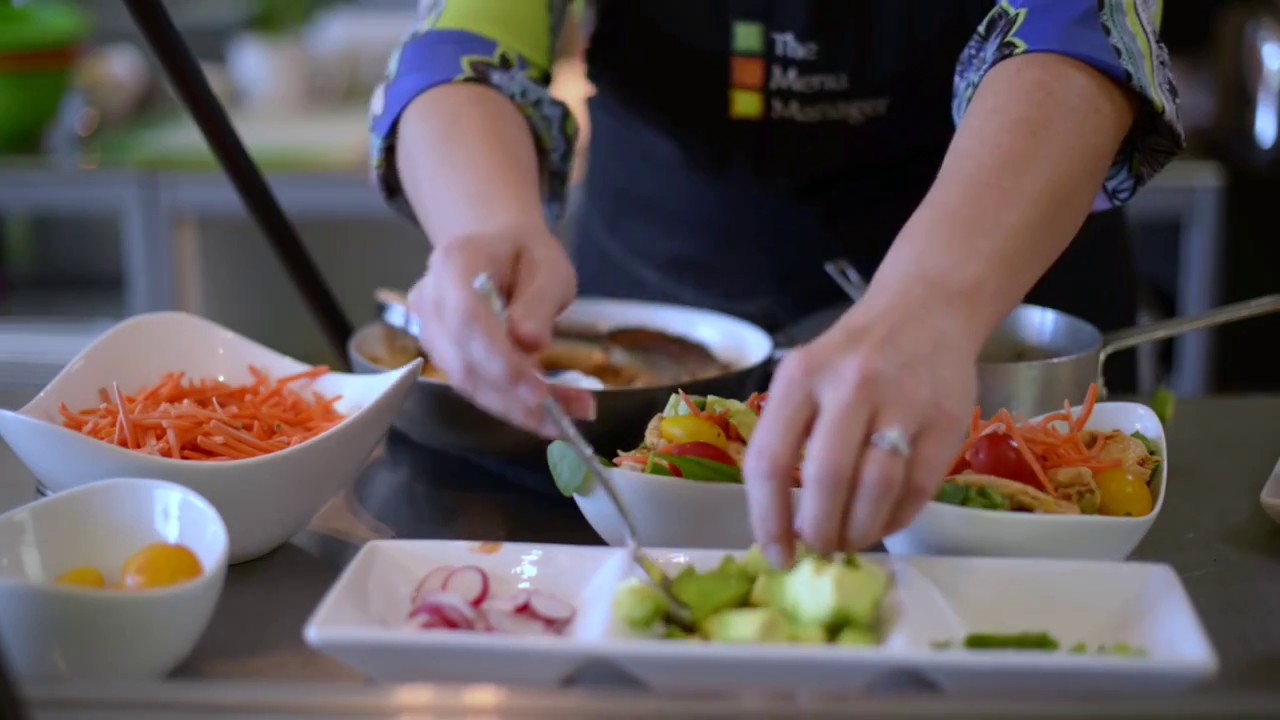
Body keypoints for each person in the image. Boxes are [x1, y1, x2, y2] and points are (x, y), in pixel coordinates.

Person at [369, 0, 1183, 567]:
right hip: (654, 337)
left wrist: (932, 302)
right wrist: (485, 225)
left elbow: (1081, 23)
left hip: (998, 309)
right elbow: (464, 37)